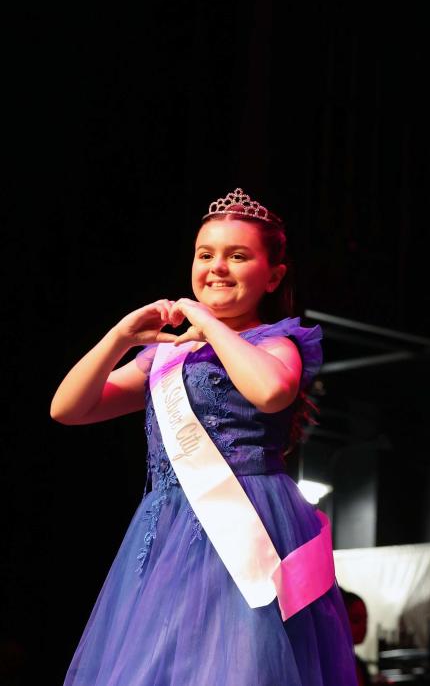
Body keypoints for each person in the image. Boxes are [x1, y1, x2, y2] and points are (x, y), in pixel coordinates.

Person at [53, 189, 356, 686]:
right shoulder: (165, 357)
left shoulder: (277, 342)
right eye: (205, 254)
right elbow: (67, 408)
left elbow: (272, 391)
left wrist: (210, 323)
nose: (218, 267)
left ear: (273, 275)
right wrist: (121, 337)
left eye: (238, 256)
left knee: (241, 663)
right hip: (165, 525)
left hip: (249, 518)